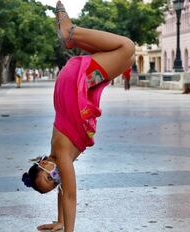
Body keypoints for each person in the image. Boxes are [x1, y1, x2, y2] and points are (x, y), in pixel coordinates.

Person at [21, 1, 135, 231]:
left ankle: (71, 32)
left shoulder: (61, 155)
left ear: (43, 164)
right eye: (51, 185)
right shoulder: (57, 157)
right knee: (128, 59)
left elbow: (71, 196)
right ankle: (71, 34)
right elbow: (63, 192)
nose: (54, 181)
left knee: (127, 46)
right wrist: (60, 222)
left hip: (74, 88)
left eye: (47, 178)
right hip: (72, 89)